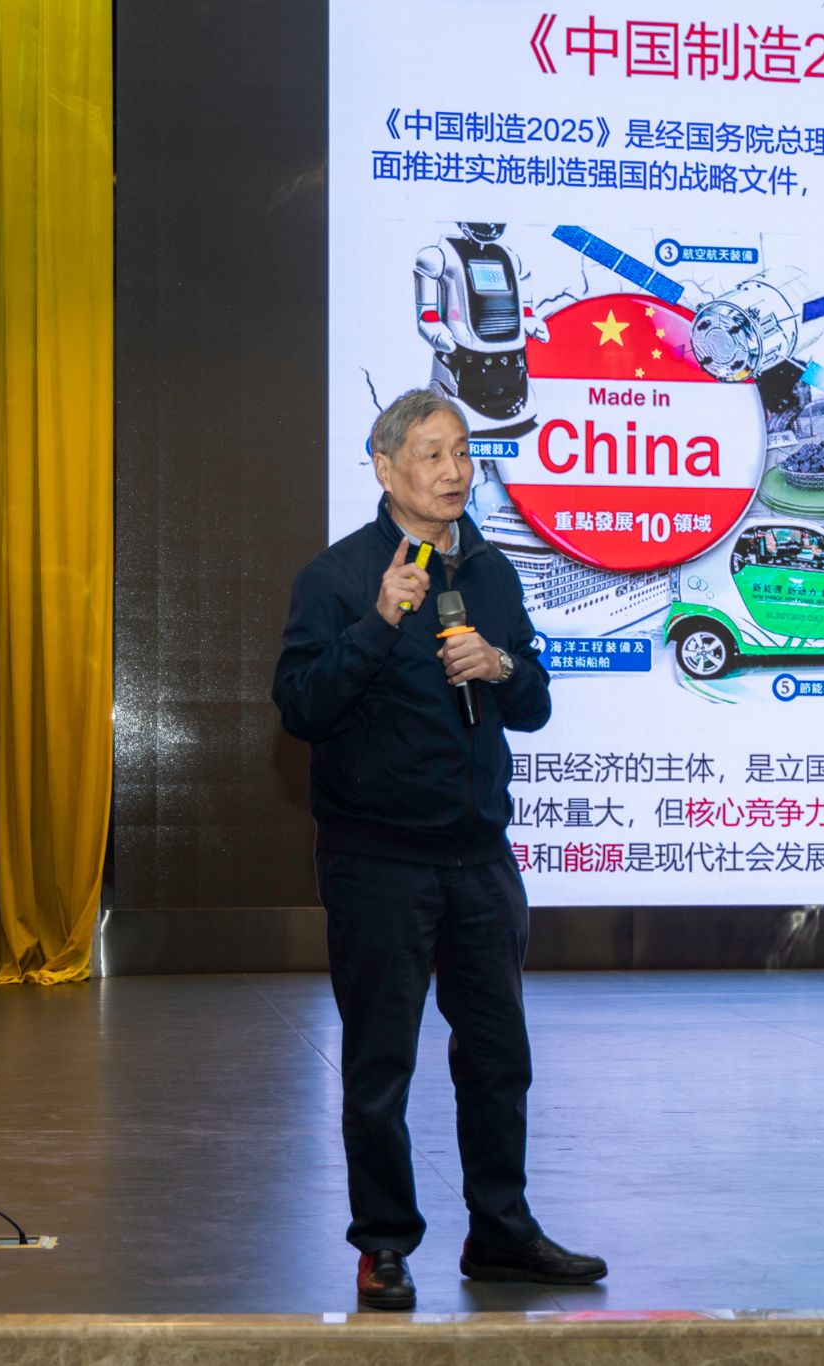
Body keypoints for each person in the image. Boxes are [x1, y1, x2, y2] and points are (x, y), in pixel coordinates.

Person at [272, 389, 608, 1311]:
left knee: (499, 1056)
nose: (455, 471)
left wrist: (502, 666)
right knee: (381, 1064)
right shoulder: (339, 577)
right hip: (378, 860)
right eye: (432, 454)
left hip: (481, 857)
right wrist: (379, 623)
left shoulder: (491, 572)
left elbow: (533, 706)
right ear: (385, 469)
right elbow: (301, 708)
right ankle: (383, 1244)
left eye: (462, 452)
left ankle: (501, 1232)